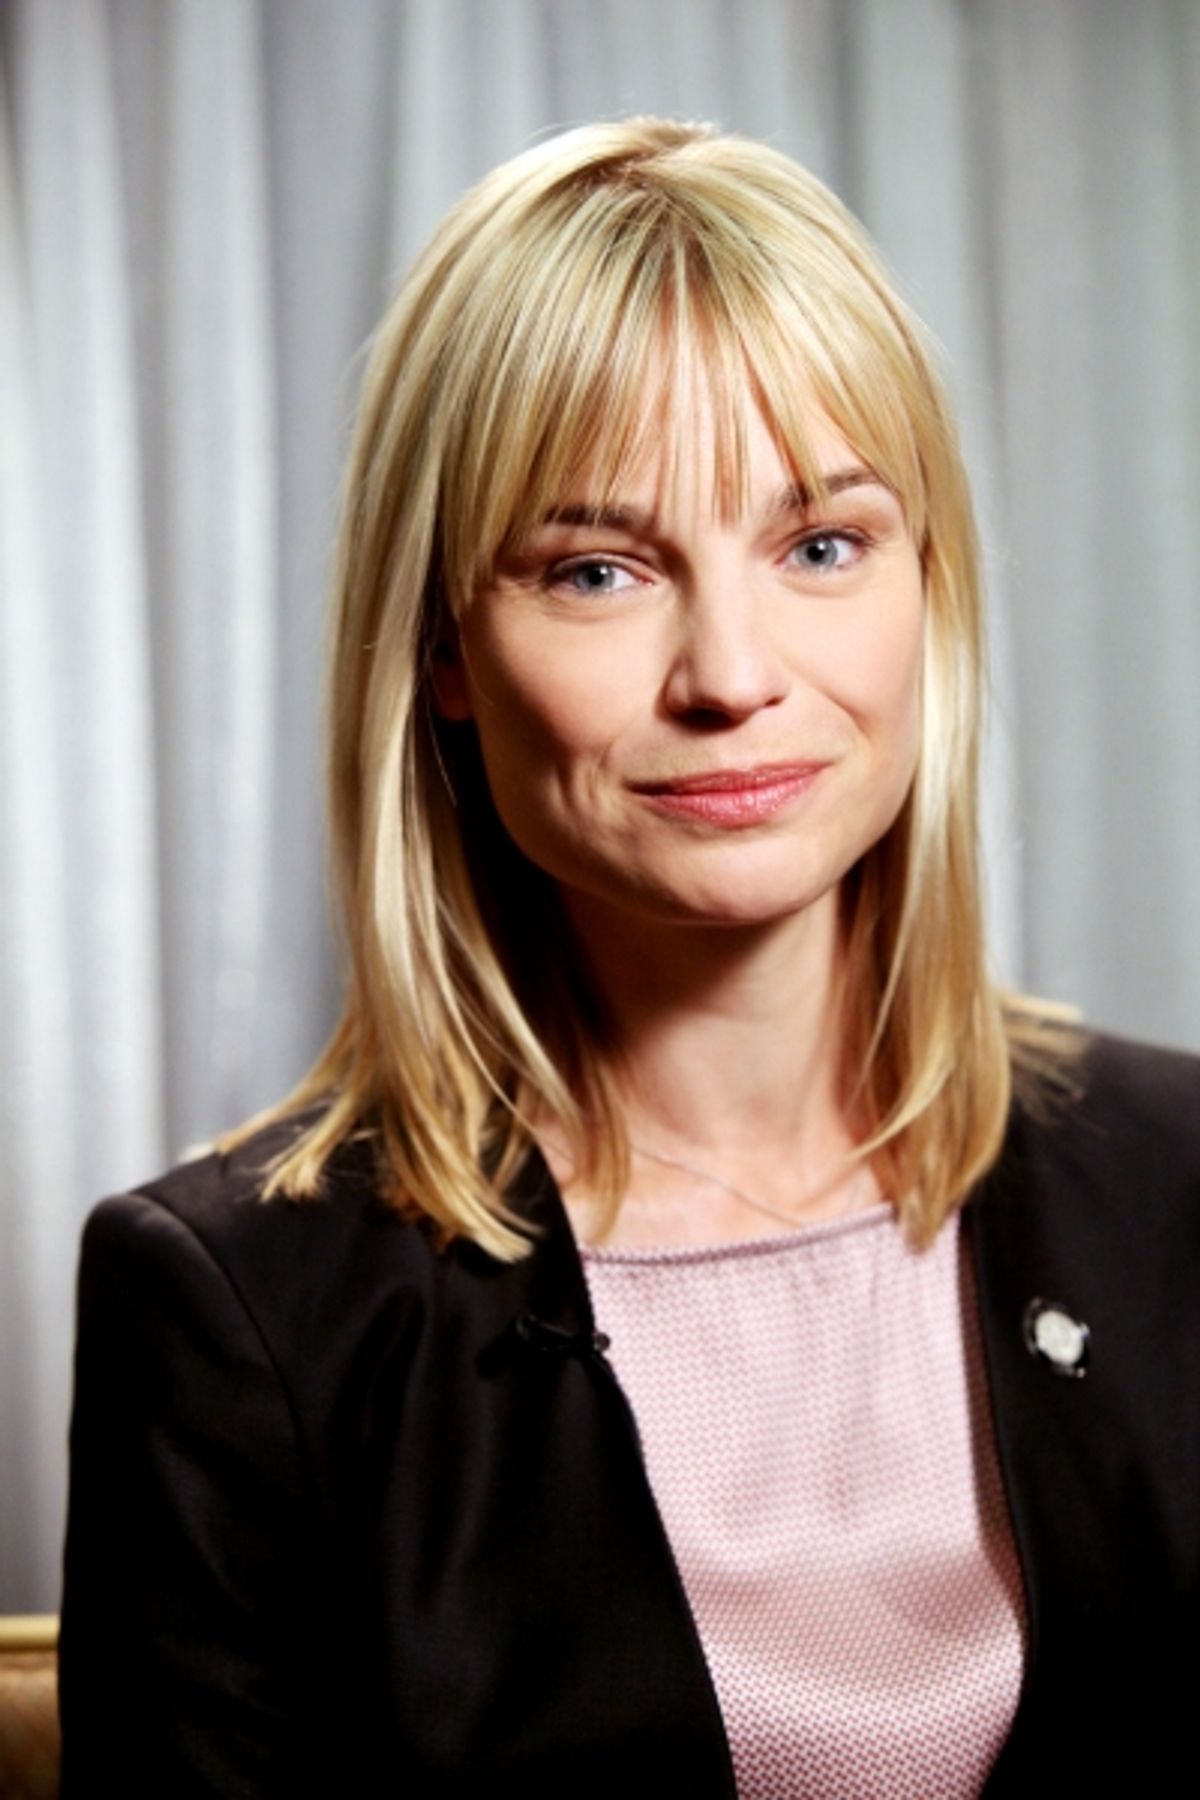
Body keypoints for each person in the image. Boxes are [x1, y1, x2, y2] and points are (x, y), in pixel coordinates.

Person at [59, 118, 1198, 1798]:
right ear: (444, 647)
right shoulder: (235, 1311)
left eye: (821, 545)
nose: (732, 674)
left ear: (927, 586)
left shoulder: (1181, 1179)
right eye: (597, 569)